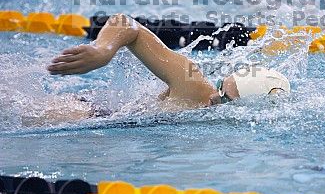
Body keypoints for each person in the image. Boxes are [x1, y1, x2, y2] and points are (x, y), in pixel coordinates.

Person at [46, 14, 290, 117]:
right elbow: (126, 24)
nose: (213, 98)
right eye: (220, 87)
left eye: (225, 100)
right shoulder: (194, 85)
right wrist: (103, 50)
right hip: (87, 113)